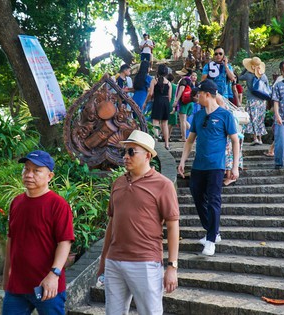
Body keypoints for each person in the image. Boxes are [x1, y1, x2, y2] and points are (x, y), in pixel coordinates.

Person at [98, 130, 180, 315]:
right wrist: (104, 260)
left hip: (145, 262)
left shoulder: (163, 185)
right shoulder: (118, 183)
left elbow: (173, 225)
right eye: (124, 152)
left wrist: (172, 266)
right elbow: (112, 222)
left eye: (131, 152)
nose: (125, 157)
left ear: (147, 155)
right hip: (114, 261)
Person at [2, 150, 75, 314]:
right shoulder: (16, 202)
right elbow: (11, 239)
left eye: (36, 170)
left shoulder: (58, 205)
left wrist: (54, 274)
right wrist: (7, 275)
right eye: (26, 169)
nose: (29, 174)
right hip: (17, 286)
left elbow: (64, 242)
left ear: (49, 176)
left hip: (47, 286)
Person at [177, 80, 240, 256]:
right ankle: (213, 230)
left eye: (199, 95)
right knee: (197, 196)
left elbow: (235, 141)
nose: (196, 98)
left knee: (214, 200)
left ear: (207, 94)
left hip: (216, 166)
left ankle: (211, 240)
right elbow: (190, 141)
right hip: (199, 166)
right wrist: (182, 161)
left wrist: (234, 167)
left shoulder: (225, 115)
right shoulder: (198, 116)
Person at [239, 56, 269, 146]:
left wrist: (245, 69)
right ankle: (260, 138)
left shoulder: (248, 75)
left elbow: (239, 77)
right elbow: (267, 86)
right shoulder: (263, 75)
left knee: (253, 118)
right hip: (262, 100)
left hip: (252, 99)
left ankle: (255, 137)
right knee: (260, 118)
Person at [144, 64, 172, 150]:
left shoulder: (154, 81)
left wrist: (146, 101)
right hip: (166, 102)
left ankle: (156, 142)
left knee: (155, 122)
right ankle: (167, 144)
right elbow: (170, 97)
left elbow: (151, 93)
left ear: (158, 71)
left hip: (157, 101)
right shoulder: (169, 83)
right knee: (165, 123)